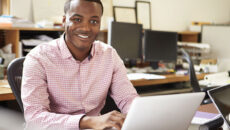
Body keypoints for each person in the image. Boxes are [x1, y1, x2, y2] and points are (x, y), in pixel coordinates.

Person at [21, 0, 139, 129]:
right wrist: (90, 121)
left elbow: (127, 99)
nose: (85, 28)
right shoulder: (38, 58)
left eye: (93, 21)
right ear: (64, 20)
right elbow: (34, 118)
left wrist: (137, 115)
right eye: (77, 19)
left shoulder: (109, 55)